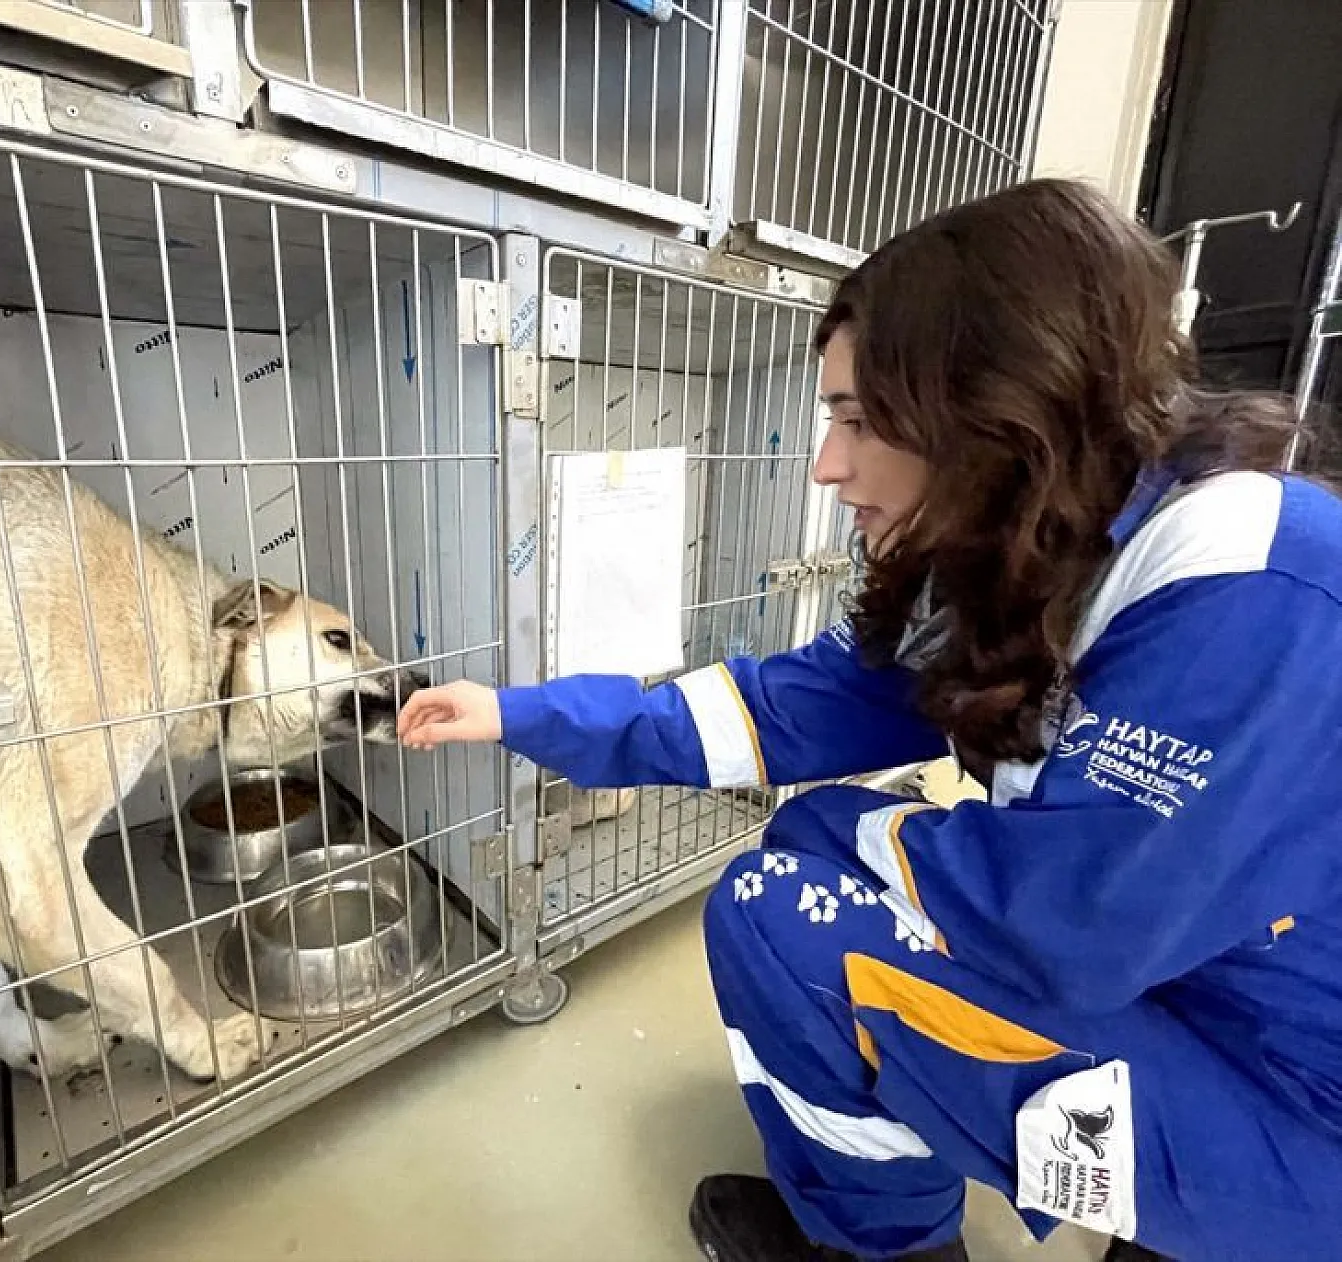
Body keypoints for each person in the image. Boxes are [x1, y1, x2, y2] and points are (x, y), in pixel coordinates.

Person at [396, 178, 1342, 1262]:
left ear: (989, 402)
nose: (825, 466)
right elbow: (786, 706)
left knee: (786, 907)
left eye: (853, 419)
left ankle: (880, 1248)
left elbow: (1067, 927)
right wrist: (516, 712)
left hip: (1300, 1109)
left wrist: (836, 830)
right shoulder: (1042, 551)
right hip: (1211, 1004)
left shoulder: (1259, 577)